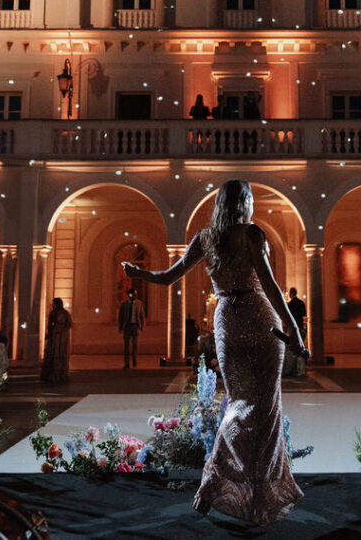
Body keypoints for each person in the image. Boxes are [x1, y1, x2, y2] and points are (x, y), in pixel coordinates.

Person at [124, 179, 306, 525]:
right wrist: (293, 328)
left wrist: (139, 274)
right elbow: (269, 284)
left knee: (238, 403)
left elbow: (167, 277)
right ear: (246, 203)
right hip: (260, 316)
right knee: (265, 408)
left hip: (226, 320)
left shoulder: (204, 238)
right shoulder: (253, 234)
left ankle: (218, 485)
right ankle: (259, 492)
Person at [40, 297, 72, 383]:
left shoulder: (64, 313)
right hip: (56, 336)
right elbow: (50, 325)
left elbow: (69, 324)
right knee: (54, 354)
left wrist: (61, 328)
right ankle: (54, 375)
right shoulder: (53, 313)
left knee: (61, 353)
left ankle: (61, 375)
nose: (52, 305)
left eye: (53, 304)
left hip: (62, 337)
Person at [117, 288, 145, 369]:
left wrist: (142, 325)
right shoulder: (124, 304)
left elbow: (141, 315)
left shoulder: (139, 303)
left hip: (135, 326)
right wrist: (120, 327)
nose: (135, 296)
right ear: (129, 295)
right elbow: (120, 317)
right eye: (133, 294)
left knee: (135, 345)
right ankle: (127, 363)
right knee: (126, 346)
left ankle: (134, 361)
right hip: (127, 326)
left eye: (136, 294)